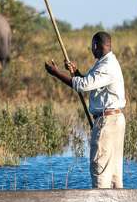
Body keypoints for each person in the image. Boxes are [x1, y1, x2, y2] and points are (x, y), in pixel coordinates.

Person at [44, 31, 126, 188]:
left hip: (107, 122)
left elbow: (82, 86)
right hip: (114, 120)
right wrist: (76, 73)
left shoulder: (106, 66)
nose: (91, 49)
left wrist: (57, 74)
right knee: (114, 173)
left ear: (96, 45)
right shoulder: (106, 62)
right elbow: (88, 82)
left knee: (100, 168)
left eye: (92, 46)